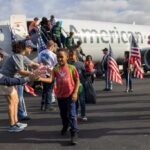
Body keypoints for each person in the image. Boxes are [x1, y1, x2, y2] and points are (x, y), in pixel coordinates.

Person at [37, 48, 80, 145]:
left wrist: (75, 93)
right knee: (63, 114)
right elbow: (50, 80)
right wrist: (39, 78)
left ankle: (74, 133)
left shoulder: (72, 68)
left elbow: (77, 80)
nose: (59, 59)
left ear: (67, 57)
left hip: (70, 95)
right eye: (58, 57)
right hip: (60, 96)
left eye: (61, 57)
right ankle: (65, 125)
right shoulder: (55, 69)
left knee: (72, 115)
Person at [0, 40, 38, 132]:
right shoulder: (17, 56)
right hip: (6, 81)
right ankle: (12, 125)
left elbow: (32, 64)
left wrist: (41, 67)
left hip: (9, 80)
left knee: (16, 101)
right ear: (23, 48)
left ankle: (16, 122)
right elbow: (21, 71)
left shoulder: (20, 56)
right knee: (11, 102)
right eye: (28, 46)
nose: (30, 48)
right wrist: (33, 74)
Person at [38, 40, 57, 111]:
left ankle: (42, 105)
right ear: (52, 46)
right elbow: (55, 65)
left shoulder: (41, 53)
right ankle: (48, 106)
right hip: (50, 74)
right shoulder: (53, 55)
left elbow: (39, 62)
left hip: (42, 73)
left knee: (44, 90)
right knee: (49, 90)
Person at [68, 50, 87, 121]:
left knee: (82, 101)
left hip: (80, 86)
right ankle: (75, 114)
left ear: (76, 55)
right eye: (69, 55)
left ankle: (83, 115)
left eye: (72, 55)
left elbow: (85, 74)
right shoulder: (68, 64)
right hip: (71, 86)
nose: (70, 57)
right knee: (74, 101)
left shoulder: (80, 64)